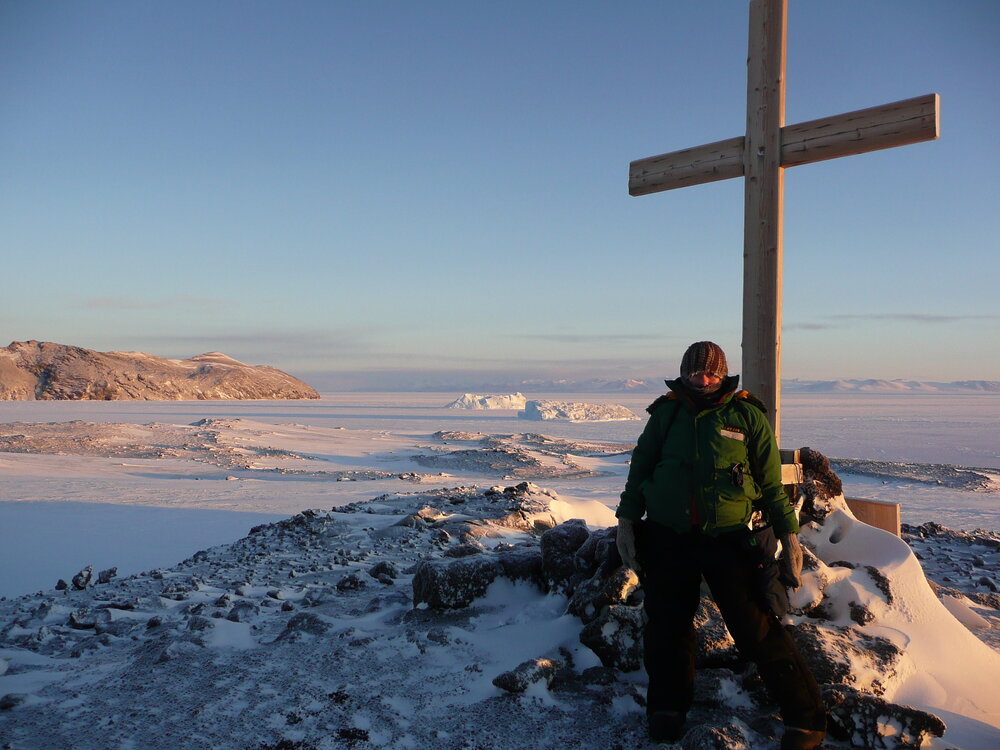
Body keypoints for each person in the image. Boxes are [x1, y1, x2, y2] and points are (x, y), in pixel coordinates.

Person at [615, 341, 826, 750]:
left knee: (756, 626)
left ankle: (805, 718)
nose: (703, 379)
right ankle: (667, 708)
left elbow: (769, 483)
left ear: (722, 374)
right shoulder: (666, 413)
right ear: (684, 372)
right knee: (667, 625)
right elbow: (640, 468)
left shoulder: (746, 414)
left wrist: (789, 536)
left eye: (710, 373)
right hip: (667, 536)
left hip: (729, 538)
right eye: (695, 372)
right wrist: (627, 520)